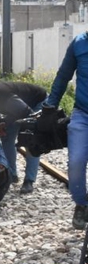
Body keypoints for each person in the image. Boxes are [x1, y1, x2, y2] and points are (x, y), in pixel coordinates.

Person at [43, 31, 88, 229]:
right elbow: (63, 77)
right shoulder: (79, 43)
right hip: (83, 114)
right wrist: (50, 105)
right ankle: (81, 204)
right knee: (76, 161)